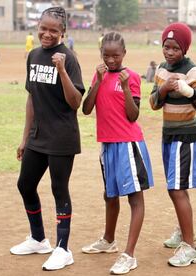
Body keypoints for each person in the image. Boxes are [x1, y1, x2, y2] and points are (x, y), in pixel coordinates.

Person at [9, 7, 85, 271]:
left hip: (62, 137)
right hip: (38, 136)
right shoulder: (33, 55)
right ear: (37, 26)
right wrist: (25, 137)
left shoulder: (70, 58)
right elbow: (31, 97)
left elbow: (76, 102)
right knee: (25, 185)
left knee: (58, 190)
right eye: (44, 28)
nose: (47, 34)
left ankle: (63, 249)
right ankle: (39, 238)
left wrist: (63, 70)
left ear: (63, 32)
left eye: (54, 30)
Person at [81, 31, 154, 275]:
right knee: (109, 195)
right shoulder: (99, 74)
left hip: (128, 144)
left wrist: (123, 87)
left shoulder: (130, 77)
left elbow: (133, 115)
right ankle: (108, 240)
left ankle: (129, 254)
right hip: (108, 144)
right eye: (106, 55)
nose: (111, 60)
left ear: (124, 54)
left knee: (134, 198)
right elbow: (87, 109)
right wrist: (99, 81)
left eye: (115, 55)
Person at [149, 22, 196, 267]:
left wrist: (188, 91)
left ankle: (190, 246)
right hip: (169, 136)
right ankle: (184, 231)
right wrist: (163, 88)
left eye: (175, 48)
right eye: (166, 47)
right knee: (176, 187)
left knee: (176, 189)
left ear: (184, 48)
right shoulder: (162, 69)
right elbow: (153, 103)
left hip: (186, 137)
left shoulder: (193, 71)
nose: (169, 52)